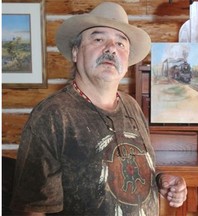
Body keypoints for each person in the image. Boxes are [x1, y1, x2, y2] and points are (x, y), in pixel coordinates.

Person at [10, 2, 187, 215]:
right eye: (98, 39)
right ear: (75, 52)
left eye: (121, 44)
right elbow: (31, 210)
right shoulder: (53, 116)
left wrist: (161, 179)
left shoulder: (132, 106)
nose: (111, 48)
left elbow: (127, 168)